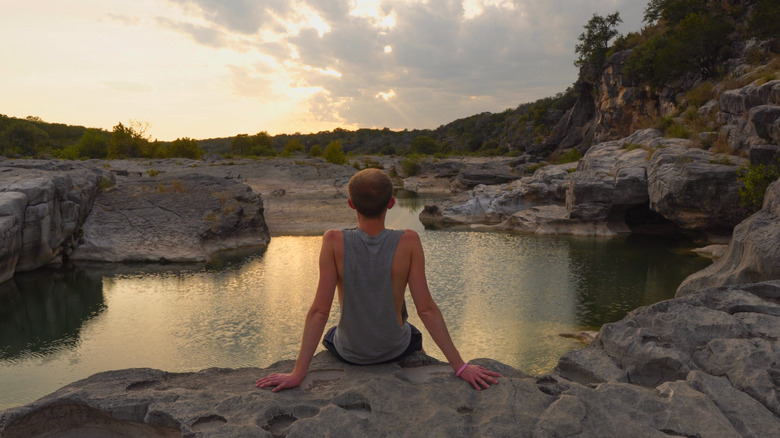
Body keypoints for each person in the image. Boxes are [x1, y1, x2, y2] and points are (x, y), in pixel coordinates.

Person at [255, 168, 501, 392]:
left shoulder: (332, 241)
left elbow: (319, 311)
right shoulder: (409, 241)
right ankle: (418, 367)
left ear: (351, 204)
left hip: (350, 353)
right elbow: (426, 310)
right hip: (394, 349)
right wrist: (460, 366)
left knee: (333, 332)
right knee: (411, 332)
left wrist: (298, 374)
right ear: (391, 203)